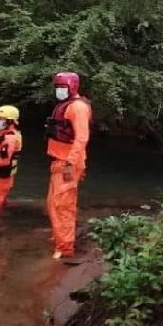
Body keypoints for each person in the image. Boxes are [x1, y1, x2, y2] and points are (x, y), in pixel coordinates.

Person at [45, 72, 92, 259]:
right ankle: (61, 236)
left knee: (63, 205)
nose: (59, 91)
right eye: (57, 88)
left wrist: (70, 163)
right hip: (60, 161)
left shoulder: (78, 108)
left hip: (68, 163)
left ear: (72, 88)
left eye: (62, 88)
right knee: (52, 202)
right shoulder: (66, 105)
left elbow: (82, 137)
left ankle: (65, 247)